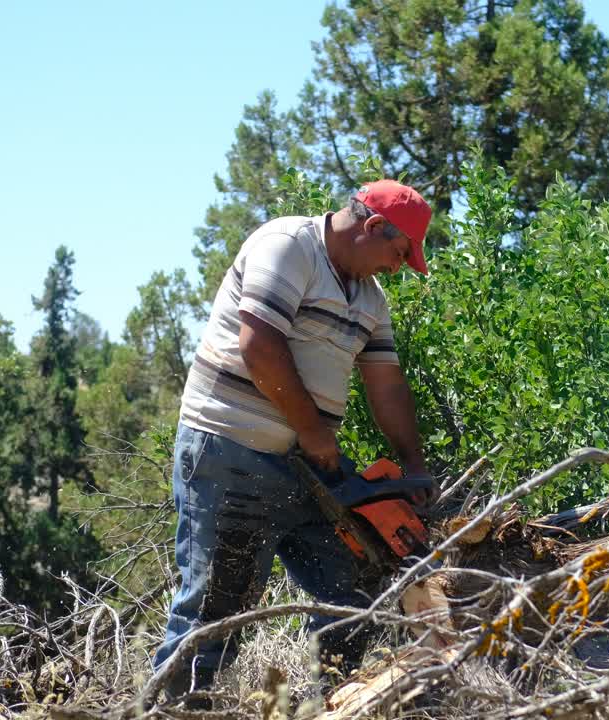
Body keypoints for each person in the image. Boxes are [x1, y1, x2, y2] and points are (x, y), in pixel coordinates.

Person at [153, 180, 434, 699]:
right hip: (232, 452)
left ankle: (328, 705)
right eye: (398, 254)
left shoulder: (370, 299)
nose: (396, 268)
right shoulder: (287, 246)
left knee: (354, 593)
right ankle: (170, 709)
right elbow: (259, 345)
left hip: (307, 467)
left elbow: (387, 385)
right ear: (373, 226)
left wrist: (413, 465)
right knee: (215, 612)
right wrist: (312, 430)